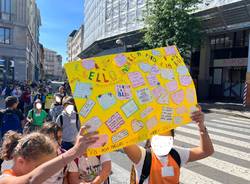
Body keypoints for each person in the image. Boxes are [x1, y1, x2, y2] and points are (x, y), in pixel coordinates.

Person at [125, 109, 214, 184]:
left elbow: (206, 151)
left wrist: (201, 126)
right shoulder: (142, 157)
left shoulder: (176, 154)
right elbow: (124, 141)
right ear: (151, 139)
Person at [0, 126, 99, 184]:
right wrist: (74, 151)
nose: (48, 174)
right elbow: (32, 179)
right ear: (21, 161)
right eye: (41, 167)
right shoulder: (5, 179)